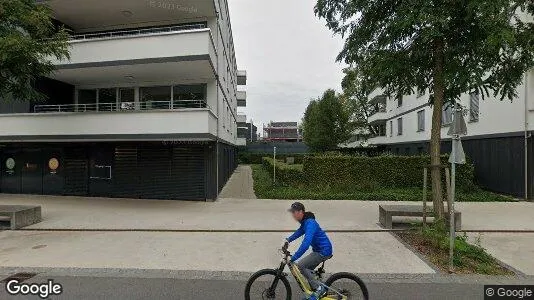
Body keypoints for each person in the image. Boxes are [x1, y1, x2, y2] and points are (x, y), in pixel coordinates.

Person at [284, 202, 333, 300]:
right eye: (292, 212)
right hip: (319, 250)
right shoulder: (305, 222)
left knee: (301, 265)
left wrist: (294, 257)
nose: (293, 215)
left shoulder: (310, 223)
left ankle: (319, 289)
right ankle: (315, 289)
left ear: (301, 212)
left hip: (323, 251)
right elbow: (299, 232)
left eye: (294, 212)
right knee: (306, 271)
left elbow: (306, 243)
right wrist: (288, 239)